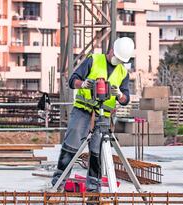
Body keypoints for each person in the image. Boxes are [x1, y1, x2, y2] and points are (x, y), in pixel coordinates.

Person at [50, 37, 135, 193]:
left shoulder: (123, 72)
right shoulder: (94, 60)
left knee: (98, 152)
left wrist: (119, 94)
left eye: (121, 60)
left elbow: (125, 100)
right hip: (83, 110)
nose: (118, 61)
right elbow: (72, 80)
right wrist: (82, 84)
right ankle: (58, 185)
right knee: (71, 146)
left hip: (104, 117)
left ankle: (93, 191)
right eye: (117, 58)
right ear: (111, 51)